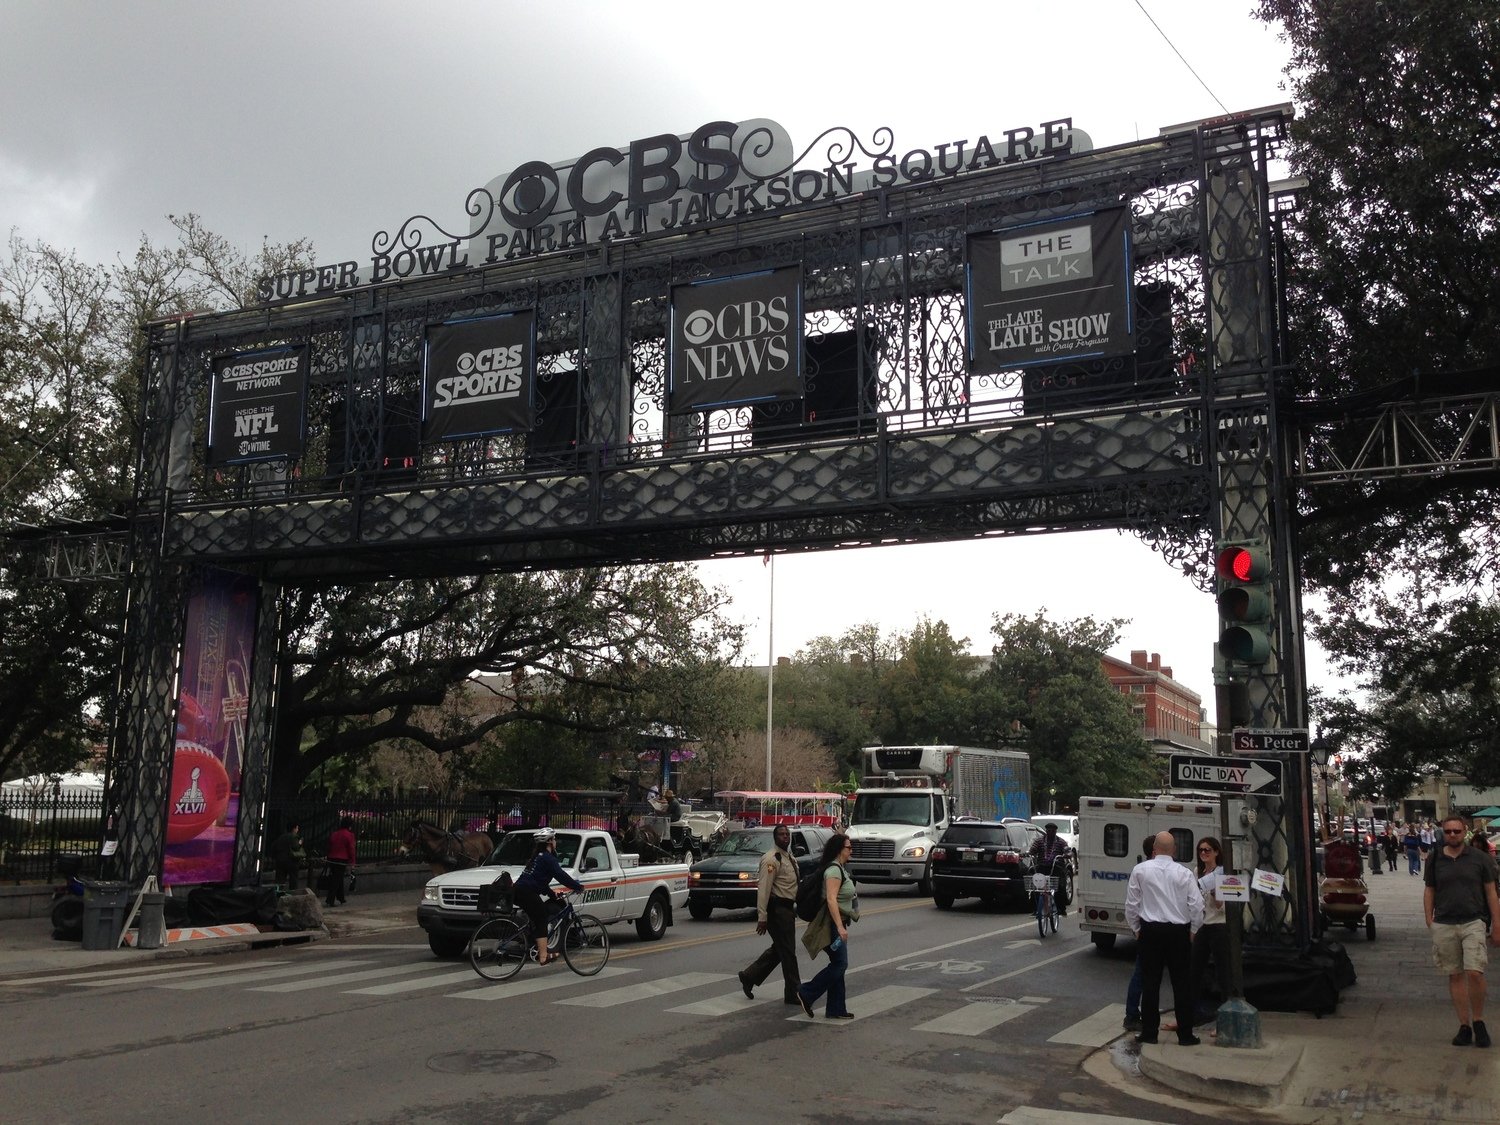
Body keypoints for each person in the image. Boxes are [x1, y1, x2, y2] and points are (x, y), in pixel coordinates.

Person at [1424, 814, 1500, 1048]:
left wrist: (1497, 924)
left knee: (1475, 971)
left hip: (1473, 921)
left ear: (1465, 832)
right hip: (1445, 922)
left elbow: (1491, 892)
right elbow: (1430, 890)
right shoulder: (1435, 858)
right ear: (1443, 833)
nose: (1453, 835)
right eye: (1448, 832)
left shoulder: (1480, 859)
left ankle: (1478, 1020)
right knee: (1455, 973)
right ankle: (1464, 1025)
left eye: (1457, 831)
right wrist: (1430, 920)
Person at [1124, 830, 1204, 1047]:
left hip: (1150, 931)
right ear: (1175, 850)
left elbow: (1132, 904)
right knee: (1181, 984)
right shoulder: (1185, 873)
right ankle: (1185, 1035)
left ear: (1154, 850)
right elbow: (1196, 905)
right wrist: (1193, 929)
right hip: (1179, 931)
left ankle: (1150, 1032)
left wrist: (1136, 929)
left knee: (1151, 983)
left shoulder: (1140, 870)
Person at [737, 823, 801, 1005]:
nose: (785, 837)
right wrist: (762, 917)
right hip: (777, 910)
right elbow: (763, 890)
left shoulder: (789, 858)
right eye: (781, 834)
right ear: (775, 838)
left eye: (787, 834)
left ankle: (749, 976)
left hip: (788, 909)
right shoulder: (771, 859)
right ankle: (794, 992)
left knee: (780, 950)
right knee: (788, 952)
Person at [797, 833, 858, 1020]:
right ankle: (806, 992)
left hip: (837, 922)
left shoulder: (840, 868)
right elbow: (831, 899)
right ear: (840, 849)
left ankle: (836, 1008)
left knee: (837, 964)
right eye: (848, 847)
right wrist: (840, 927)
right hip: (831, 924)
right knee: (840, 963)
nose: (851, 850)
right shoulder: (833, 871)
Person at [513, 827, 585, 965]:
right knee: (542, 919)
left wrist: (552, 895)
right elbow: (561, 876)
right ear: (550, 842)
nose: (556, 841)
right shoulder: (548, 858)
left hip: (520, 891)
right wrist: (577, 886)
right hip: (527, 893)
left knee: (538, 915)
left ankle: (532, 940)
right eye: (554, 839)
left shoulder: (537, 857)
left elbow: (540, 881)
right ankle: (543, 956)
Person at [1189, 836, 1230, 1027]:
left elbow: (1221, 905)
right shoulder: (1198, 872)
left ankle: (1225, 1018)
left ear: (1216, 852)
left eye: (1207, 850)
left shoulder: (1221, 873)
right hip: (1203, 924)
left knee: (1223, 972)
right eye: (1201, 850)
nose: (1204, 853)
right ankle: (1194, 1012)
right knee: (1194, 969)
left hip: (1219, 924)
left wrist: (1214, 889)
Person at [1029, 822, 1073, 914]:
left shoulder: (1061, 841)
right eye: (1049, 830)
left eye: (1053, 831)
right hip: (1042, 866)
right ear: (1046, 831)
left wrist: (1067, 854)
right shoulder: (1039, 841)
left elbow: (1067, 850)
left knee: (1060, 886)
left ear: (1056, 831)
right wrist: (1029, 853)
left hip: (1056, 867)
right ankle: (1035, 909)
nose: (1051, 832)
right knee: (1036, 886)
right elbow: (1033, 849)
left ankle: (1061, 908)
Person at [324, 817, 356, 907]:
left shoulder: (334, 834)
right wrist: (352, 862)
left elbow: (329, 846)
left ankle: (341, 897)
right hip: (342, 859)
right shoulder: (349, 835)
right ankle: (330, 899)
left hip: (332, 858)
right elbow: (351, 849)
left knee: (337, 878)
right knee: (336, 879)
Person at [270, 820, 306, 890]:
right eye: (297, 828)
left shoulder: (281, 837)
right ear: (294, 828)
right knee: (293, 881)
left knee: (280, 881)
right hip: (291, 861)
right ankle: (292, 897)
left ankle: (277, 895)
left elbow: (274, 847)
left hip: (280, 861)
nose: (297, 830)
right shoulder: (294, 837)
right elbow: (296, 847)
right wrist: (300, 842)